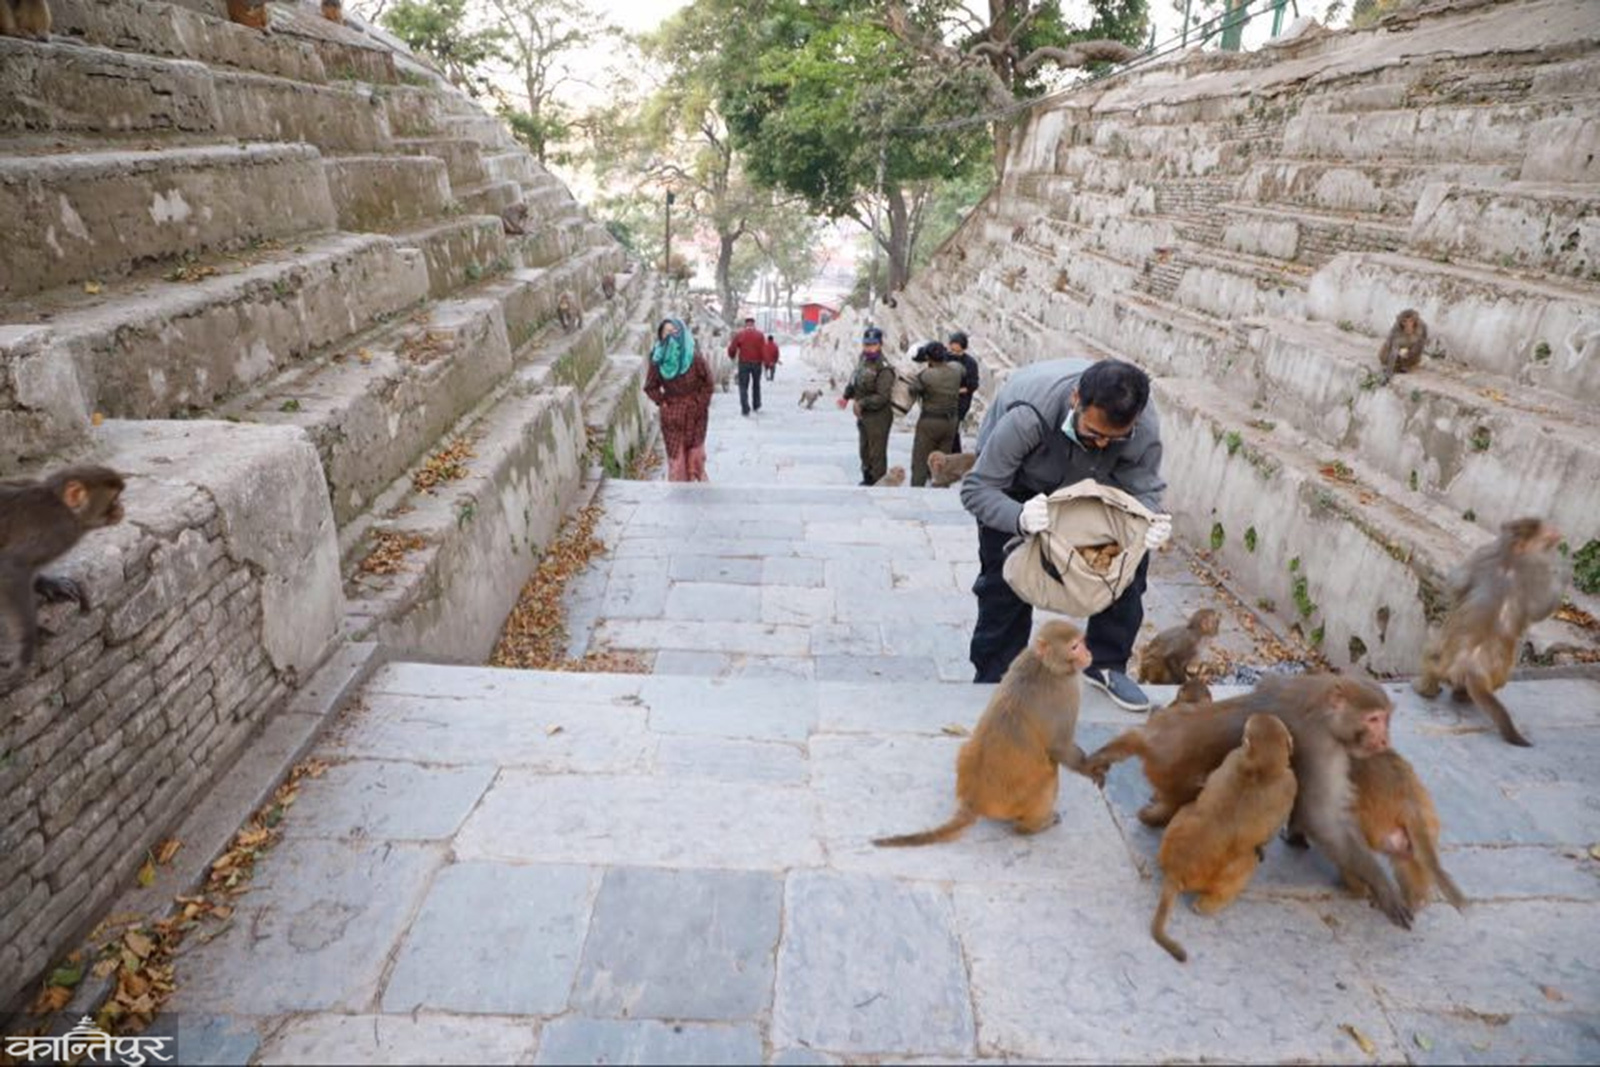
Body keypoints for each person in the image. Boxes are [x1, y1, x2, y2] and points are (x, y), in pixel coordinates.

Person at [959, 358, 1172, 710]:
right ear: (1076, 399)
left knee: (1127, 565)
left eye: (1114, 438)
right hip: (1018, 485)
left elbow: (1144, 488)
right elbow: (977, 489)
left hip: (1094, 488)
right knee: (1003, 583)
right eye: (1094, 433)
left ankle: (1106, 663)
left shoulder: (1141, 424)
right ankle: (994, 676)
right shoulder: (1028, 417)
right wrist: (1019, 517)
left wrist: (1148, 522)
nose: (1103, 444)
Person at [644, 318, 714, 482]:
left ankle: (697, 480)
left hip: (695, 414)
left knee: (696, 455)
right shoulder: (658, 360)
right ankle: (679, 491)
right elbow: (650, 386)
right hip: (672, 415)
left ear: (682, 333)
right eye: (666, 333)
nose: (670, 336)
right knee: (676, 459)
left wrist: (700, 404)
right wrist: (663, 402)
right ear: (660, 336)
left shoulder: (694, 358)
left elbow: (708, 384)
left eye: (674, 332)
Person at [840, 326, 895, 486]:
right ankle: (867, 477)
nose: (869, 348)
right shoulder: (863, 359)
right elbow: (855, 378)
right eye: (866, 344)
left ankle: (878, 482)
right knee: (864, 449)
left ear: (880, 345)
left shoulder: (884, 367)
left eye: (873, 345)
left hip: (878, 415)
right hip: (863, 414)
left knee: (876, 451)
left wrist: (862, 403)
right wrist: (846, 396)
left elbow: (883, 396)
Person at [907, 341, 964, 488]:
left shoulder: (926, 375)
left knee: (920, 460)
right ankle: (941, 489)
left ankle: (917, 488)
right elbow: (961, 369)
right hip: (951, 422)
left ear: (928, 358)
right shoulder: (956, 370)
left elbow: (913, 389)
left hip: (930, 421)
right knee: (943, 460)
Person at [727, 316, 767, 416]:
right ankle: (756, 404)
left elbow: (732, 348)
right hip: (757, 363)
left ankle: (745, 408)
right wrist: (765, 362)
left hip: (744, 363)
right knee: (756, 384)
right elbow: (764, 349)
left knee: (743, 385)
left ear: (746, 324)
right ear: (753, 324)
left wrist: (732, 355)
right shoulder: (760, 335)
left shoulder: (740, 334)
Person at [947, 331, 979, 454]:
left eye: (957, 352)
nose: (954, 354)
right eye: (952, 350)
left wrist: (956, 391)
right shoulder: (945, 357)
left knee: (953, 431)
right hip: (944, 399)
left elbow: (973, 385)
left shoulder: (970, 363)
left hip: (961, 401)